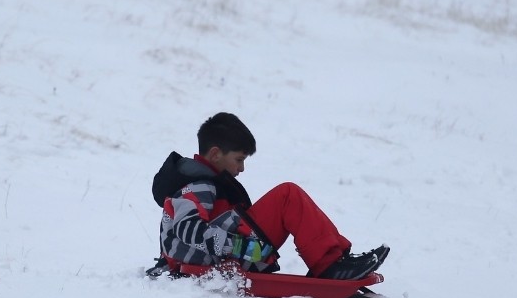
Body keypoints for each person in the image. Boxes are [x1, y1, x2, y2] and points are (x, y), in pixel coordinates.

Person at [148, 112, 389, 280]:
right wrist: (241, 247)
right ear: (215, 154)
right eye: (239, 160)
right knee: (287, 196)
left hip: (227, 255)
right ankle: (330, 265)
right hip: (215, 260)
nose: (241, 169)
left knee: (289, 195)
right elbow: (187, 229)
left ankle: (336, 261)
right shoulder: (195, 186)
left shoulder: (206, 183)